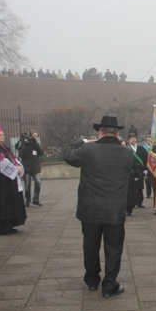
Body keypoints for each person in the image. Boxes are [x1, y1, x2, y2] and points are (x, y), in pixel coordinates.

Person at [63, 115, 134, 298]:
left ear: (99, 132)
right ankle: (109, 285)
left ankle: (92, 280)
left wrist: (81, 141)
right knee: (113, 248)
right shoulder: (127, 153)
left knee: (90, 246)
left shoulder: (87, 149)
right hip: (115, 210)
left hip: (90, 209)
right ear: (117, 133)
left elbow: (68, 155)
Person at [0, 125, 27, 235]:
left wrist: (19, 167)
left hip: (10, 182)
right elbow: (2, 164)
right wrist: (16, 170)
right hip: (1, 183)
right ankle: (2, 227)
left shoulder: (4, 148)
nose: (2, 137)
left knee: (11, 203)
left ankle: (9, 225)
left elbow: (13, 159)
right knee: (3, 204)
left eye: (3, 135)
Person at [124, 127, 146, 215]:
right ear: (129, 140)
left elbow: (145, 159)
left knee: (140, 187)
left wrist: (145, 169)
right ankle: (134, 202)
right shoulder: (127, 148)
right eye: (131, 139)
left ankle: (140, 202)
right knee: (132, 189)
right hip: (131, 171)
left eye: (134, 139)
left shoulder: (141, 148)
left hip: (140, 170)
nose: (133, 140)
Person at [19, 131, 44, 207]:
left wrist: (35, 143)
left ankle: (36, 199)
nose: (35, 137)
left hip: (35, 167)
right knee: (27, 185)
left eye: (36, 136)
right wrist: (26, 144)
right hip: (27, 167)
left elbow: (41, 152)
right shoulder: (25, 144)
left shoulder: (35, 144)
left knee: (38, 182)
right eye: (34, 136)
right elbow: (21, 155)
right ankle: (27, 200)